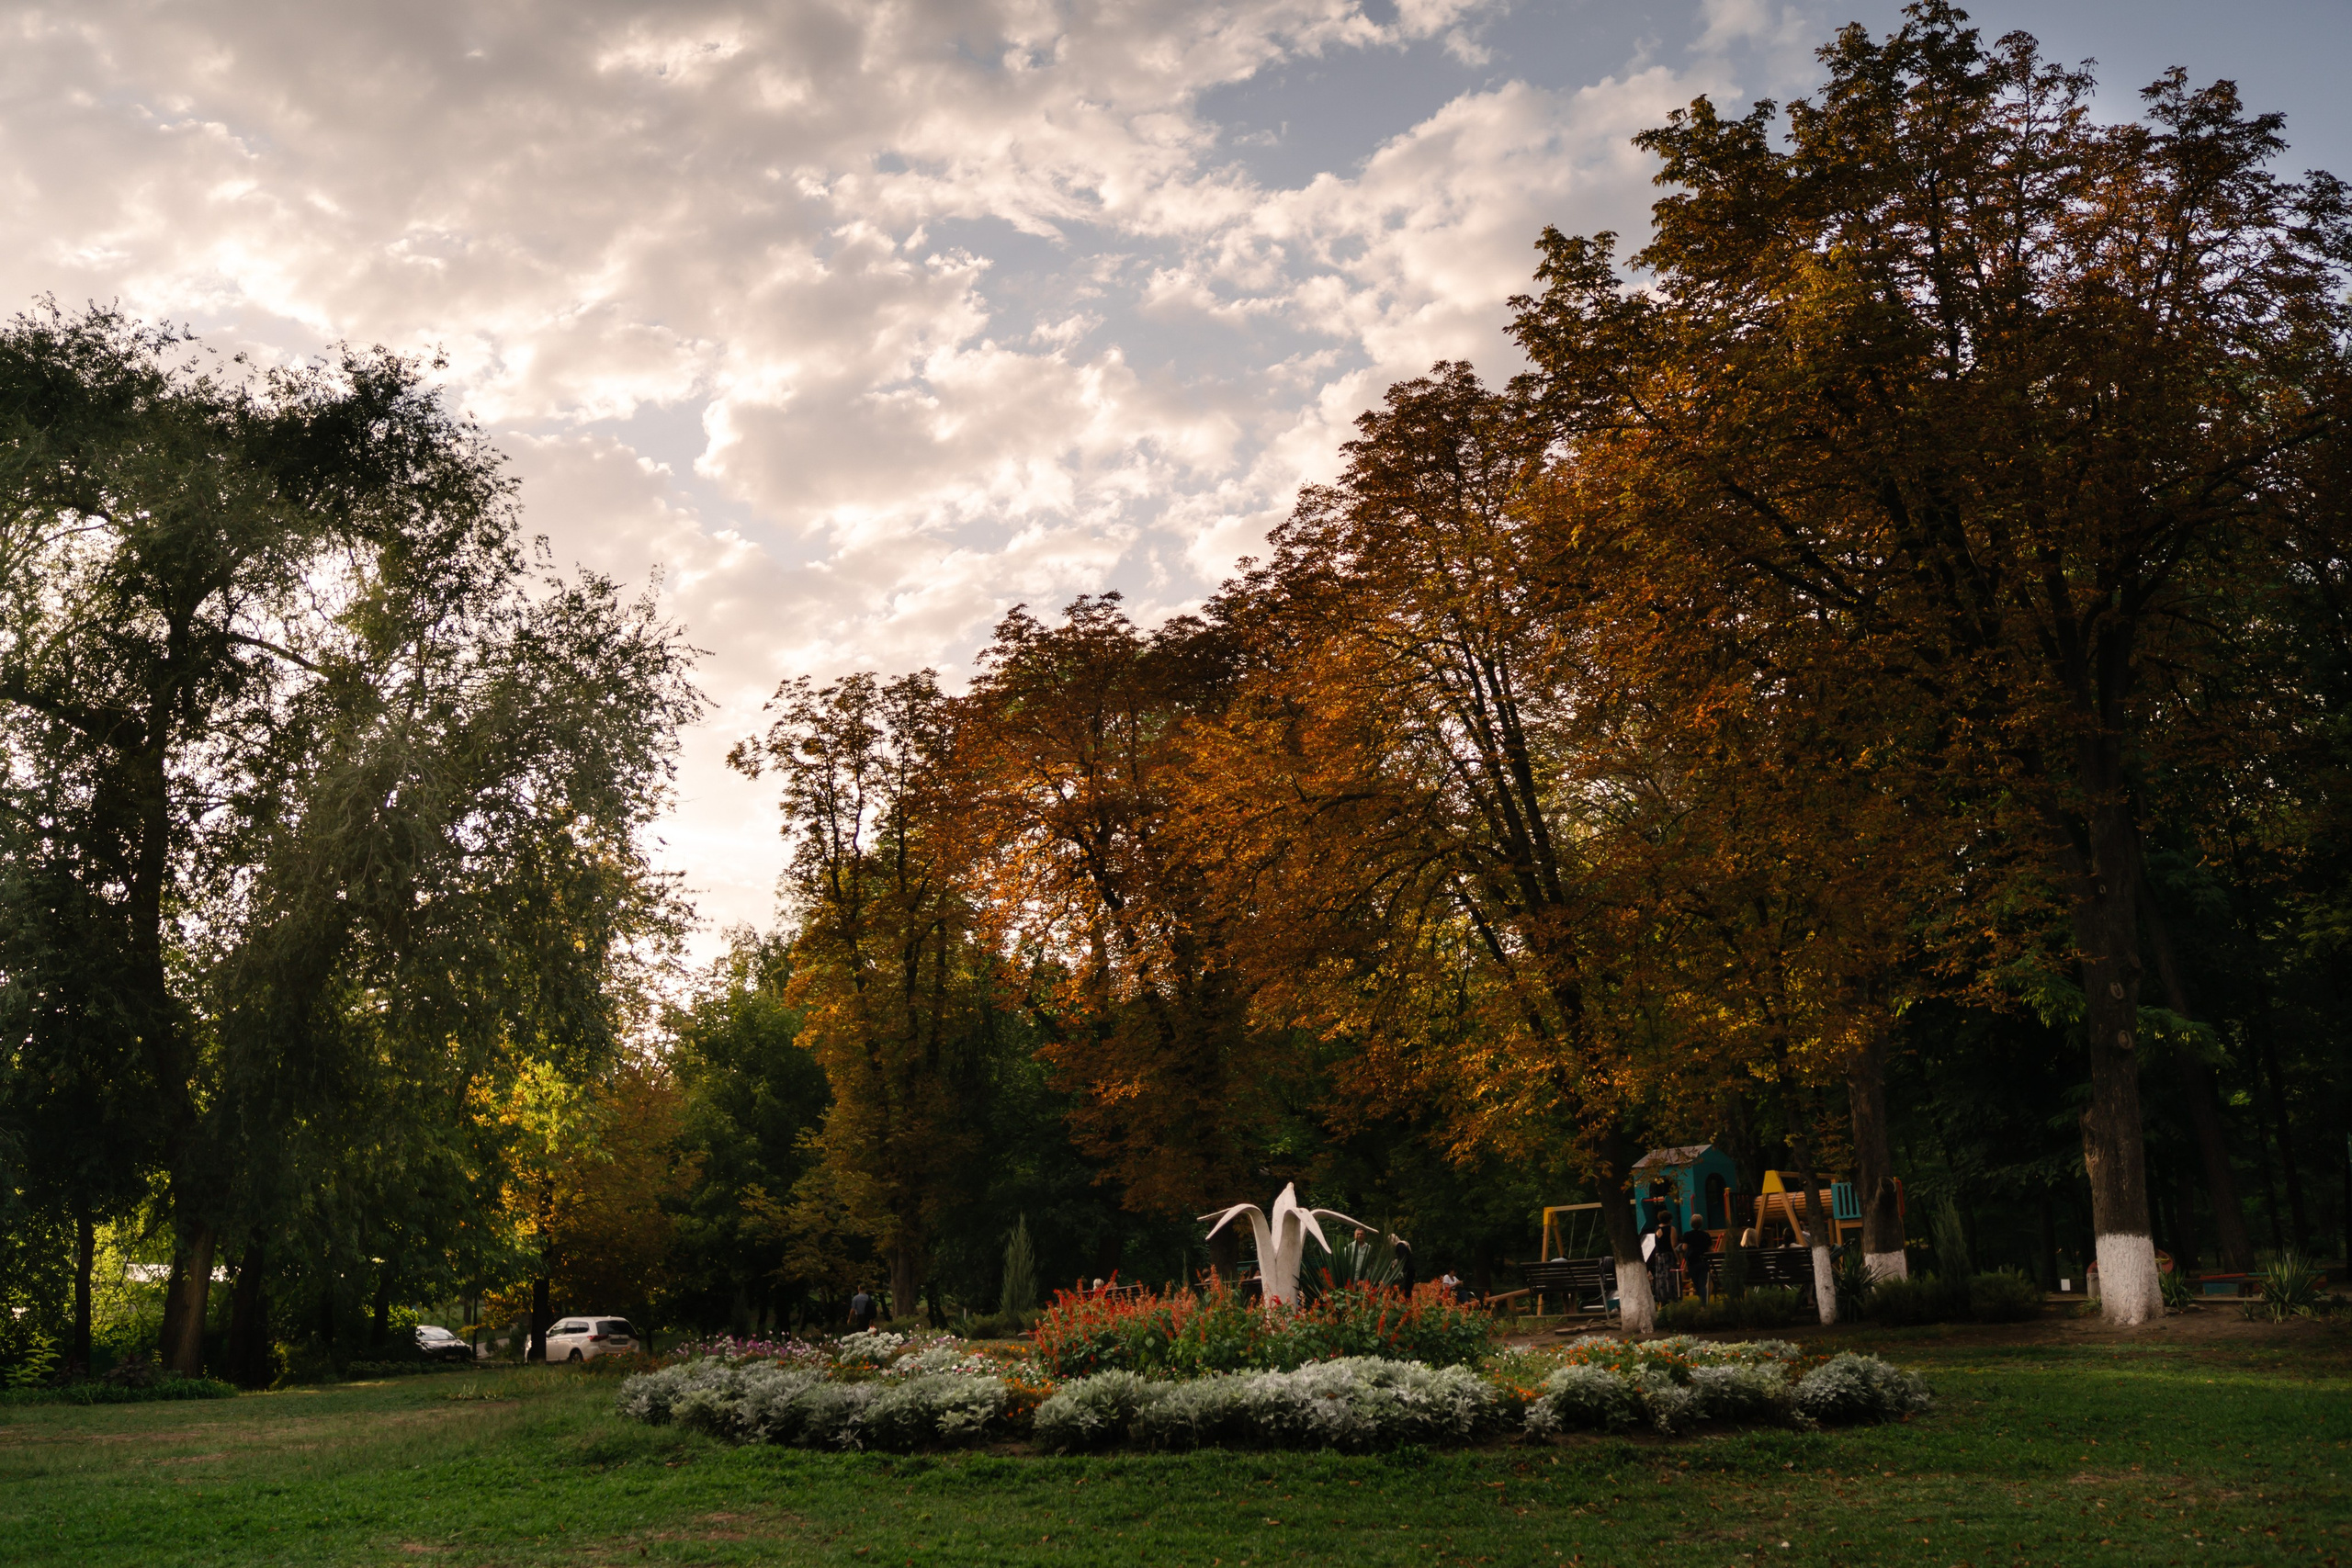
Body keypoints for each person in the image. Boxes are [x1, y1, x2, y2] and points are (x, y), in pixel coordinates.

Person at [1649, 1214, 1681, 1303]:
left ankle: (1662, 1297)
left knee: (1660, 1277)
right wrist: (1678, 1258)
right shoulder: (1671, 1229)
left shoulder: (1657, 1228)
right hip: (1668, 1256)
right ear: (1669, 1219)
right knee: (1670, 1276)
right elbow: (1673, 1244)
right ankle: (1672, 1297)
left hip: (1659, 1256)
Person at [1683, 1223, 1714, 1304]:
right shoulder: (1706, 1235)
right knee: (1702, 1283)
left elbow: (1684, 1247)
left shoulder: (1687, 1235)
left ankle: (1703, 1301)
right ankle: (1703, 1303)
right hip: (1703, 1261)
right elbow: (1710, 1250)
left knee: (1697, 1283)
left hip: (1692, 1262)